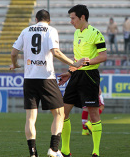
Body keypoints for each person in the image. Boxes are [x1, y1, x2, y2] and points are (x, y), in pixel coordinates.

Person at [9, 9, 87, 157]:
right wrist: (74, 64)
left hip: (30, 79)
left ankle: (33, 153)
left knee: (30, 118)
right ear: (49, 20)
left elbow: (13, 53)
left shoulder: (26, 31)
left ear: (36, 19)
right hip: (46, 78)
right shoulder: (51, 30)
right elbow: (55, 52)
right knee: (59, 113)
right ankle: (53, 149)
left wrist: (15, 64)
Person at [58, 4, 107, 157]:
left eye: (73, 18)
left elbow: (103, 56)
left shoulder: (95, 33)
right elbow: (76, 60)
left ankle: (96, 151)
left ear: (82, 17)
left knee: (93, 114)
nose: (71, 21)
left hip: (90, 76)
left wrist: (86, 63)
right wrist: (69, 72)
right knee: (63, 112)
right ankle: (65, 150)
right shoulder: (76, 34)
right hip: (76, 75)